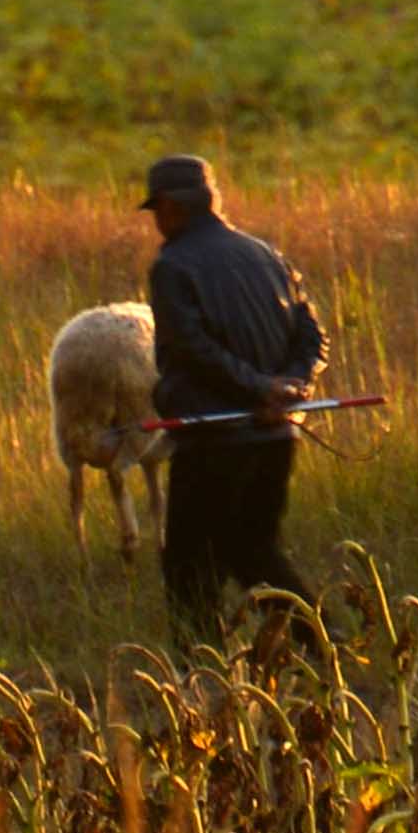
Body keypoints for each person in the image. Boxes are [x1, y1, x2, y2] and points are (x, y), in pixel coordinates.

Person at [135, 150, 331, 641]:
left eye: (156, 209)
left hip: (214, 439)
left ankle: (200, 675)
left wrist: (262, 388)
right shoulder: (265, 254)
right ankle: (326, 650)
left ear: (170, 206)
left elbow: (193, 347)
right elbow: (313, 336)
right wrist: (292, 385)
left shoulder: (172, 266)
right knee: (253, 551)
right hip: (276, 437)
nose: (157, 220)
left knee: (188, 565)